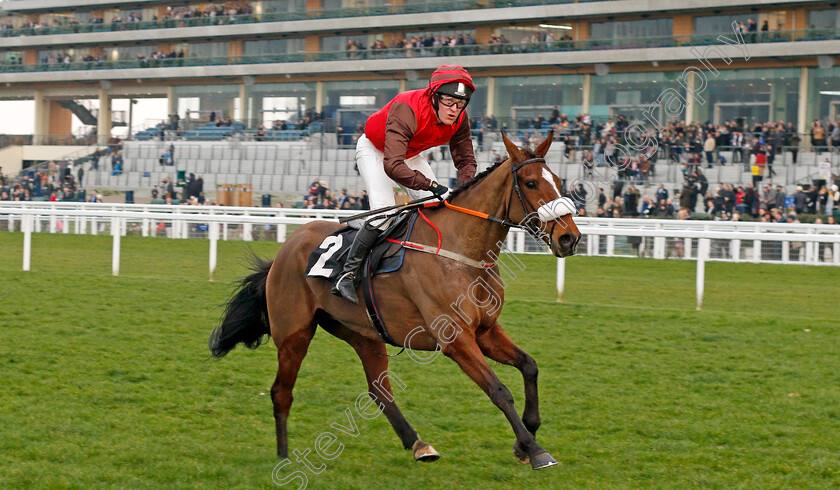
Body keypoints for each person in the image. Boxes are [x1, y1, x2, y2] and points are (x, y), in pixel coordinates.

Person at [332, 65, 478, 303]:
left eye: (460, 104)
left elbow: (466, 160)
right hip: (376, 151)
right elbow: (392, 166)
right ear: (434, 96)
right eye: (450, 102)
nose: (454, 110)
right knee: (384, 211)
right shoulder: (407, 108)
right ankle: (347, 273)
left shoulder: (460, 118)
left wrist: (465, 189)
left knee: (439, 207)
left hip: (409, 154)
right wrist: (431, 185)